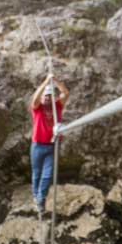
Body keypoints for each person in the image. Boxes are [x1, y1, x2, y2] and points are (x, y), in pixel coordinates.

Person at [30, 73, 69, 214]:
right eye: (45, 96)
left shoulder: (57, 106)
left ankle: (41, 198)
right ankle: (36, 197)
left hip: (52, 145)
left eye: (50, 95)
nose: (47, 98)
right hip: (37, 145)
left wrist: (55, 80)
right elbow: (35, 99)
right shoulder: (37, 108)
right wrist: (46, 81)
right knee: (36, 173)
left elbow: (65, 93)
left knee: (47, 174)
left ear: (54, 97)